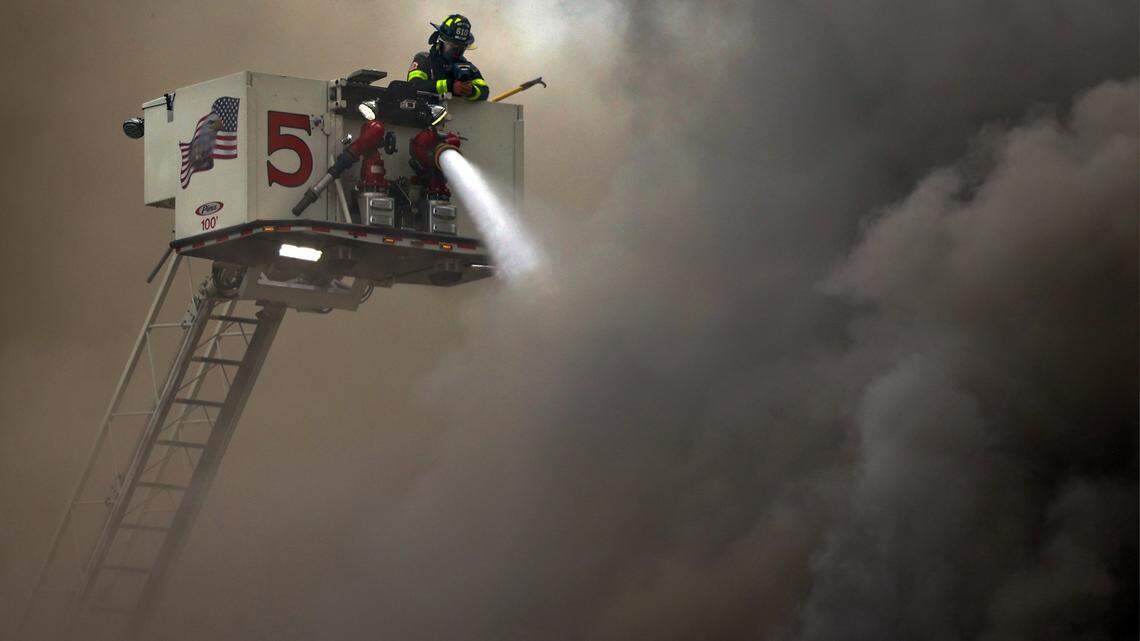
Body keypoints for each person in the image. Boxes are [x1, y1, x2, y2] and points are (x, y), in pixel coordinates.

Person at [406, 14, 490, 102]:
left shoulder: (467, 67)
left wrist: (472, 91)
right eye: (453, 47)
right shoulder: (424, 60)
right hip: (425, 112)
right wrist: (449, 86)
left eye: (461, 49)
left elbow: (484, 91)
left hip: (459, 115)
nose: (456, 53)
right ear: (441, 42)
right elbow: (413, 86)